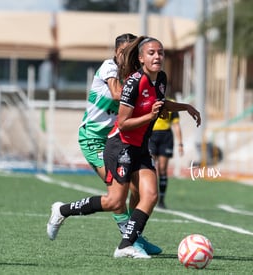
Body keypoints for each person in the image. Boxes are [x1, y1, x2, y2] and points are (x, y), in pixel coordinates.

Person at [46, 33, 161, 257]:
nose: (129, 57)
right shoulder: (109, 67)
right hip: (94, 140)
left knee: (139, 190)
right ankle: (61, 210)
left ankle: (134, 238)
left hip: (119, 141)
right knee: (117, 196)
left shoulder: (136, 74)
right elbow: (119, 94)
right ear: (118, 53)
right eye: (126, 52)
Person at [104, 36, 201, 258]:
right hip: (123, 146)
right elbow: (124, 123)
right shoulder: (133, 82)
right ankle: (63, 210)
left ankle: (125, 245)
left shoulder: (162, 79)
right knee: (114, 201)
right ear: (141, 58)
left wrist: (186, 107)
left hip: (141, 146)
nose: (157, 56)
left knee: (150, 195)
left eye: (160, 52)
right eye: (151, 53)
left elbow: (160, 104)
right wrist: (150, 116)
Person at [148, 103, 183, 209]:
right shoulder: (151, 101)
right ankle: (148, 196)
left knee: (162, 169)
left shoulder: (170, 103)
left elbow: (176, 125)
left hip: (166, 137)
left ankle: (161, 200)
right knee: (150, 167)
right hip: (152, 135)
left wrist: (180, 143)